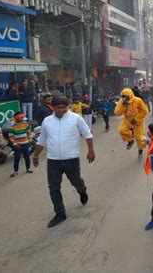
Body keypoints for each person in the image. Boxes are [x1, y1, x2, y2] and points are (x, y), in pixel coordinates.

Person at [32, 96, 95, 228]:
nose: (61, 110)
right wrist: (36, 155)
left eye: (63, 107)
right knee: (53, 187)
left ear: (68, 107)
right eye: (58, 107)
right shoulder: (47, 121)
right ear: (52, 107)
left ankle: (82, 190)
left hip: (71, 159)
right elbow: (42, 140)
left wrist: (91, 151)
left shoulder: (76, 118)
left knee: (76, 182)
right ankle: (60, 213)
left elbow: (87, 134)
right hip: (53, 160)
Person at [114, 88, 148, 157]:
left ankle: (140, 149)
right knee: (121, 130)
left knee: (138, 137)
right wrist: (122, 105)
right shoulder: (121, 102)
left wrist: (136, 119)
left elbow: (145, 111)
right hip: (127, 120)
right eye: (123, 96)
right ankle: (130, 140)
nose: (124, 98)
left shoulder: (138, 100)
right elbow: (117, 113)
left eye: (125, 96)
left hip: (138, 121)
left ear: (130, 95)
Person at [8, 111, 33, 178]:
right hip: (17, 145)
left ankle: (28, 168)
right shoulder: (12, 127)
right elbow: (11, 136)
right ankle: (15, 171)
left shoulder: (25, 124)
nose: (22, 118)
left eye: (23, 117)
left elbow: (28, 132)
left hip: (25, 144)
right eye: (21, 117)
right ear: (16, 118)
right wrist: (15, 143)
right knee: (17, 159)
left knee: (27, 157)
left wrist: (29, 139)